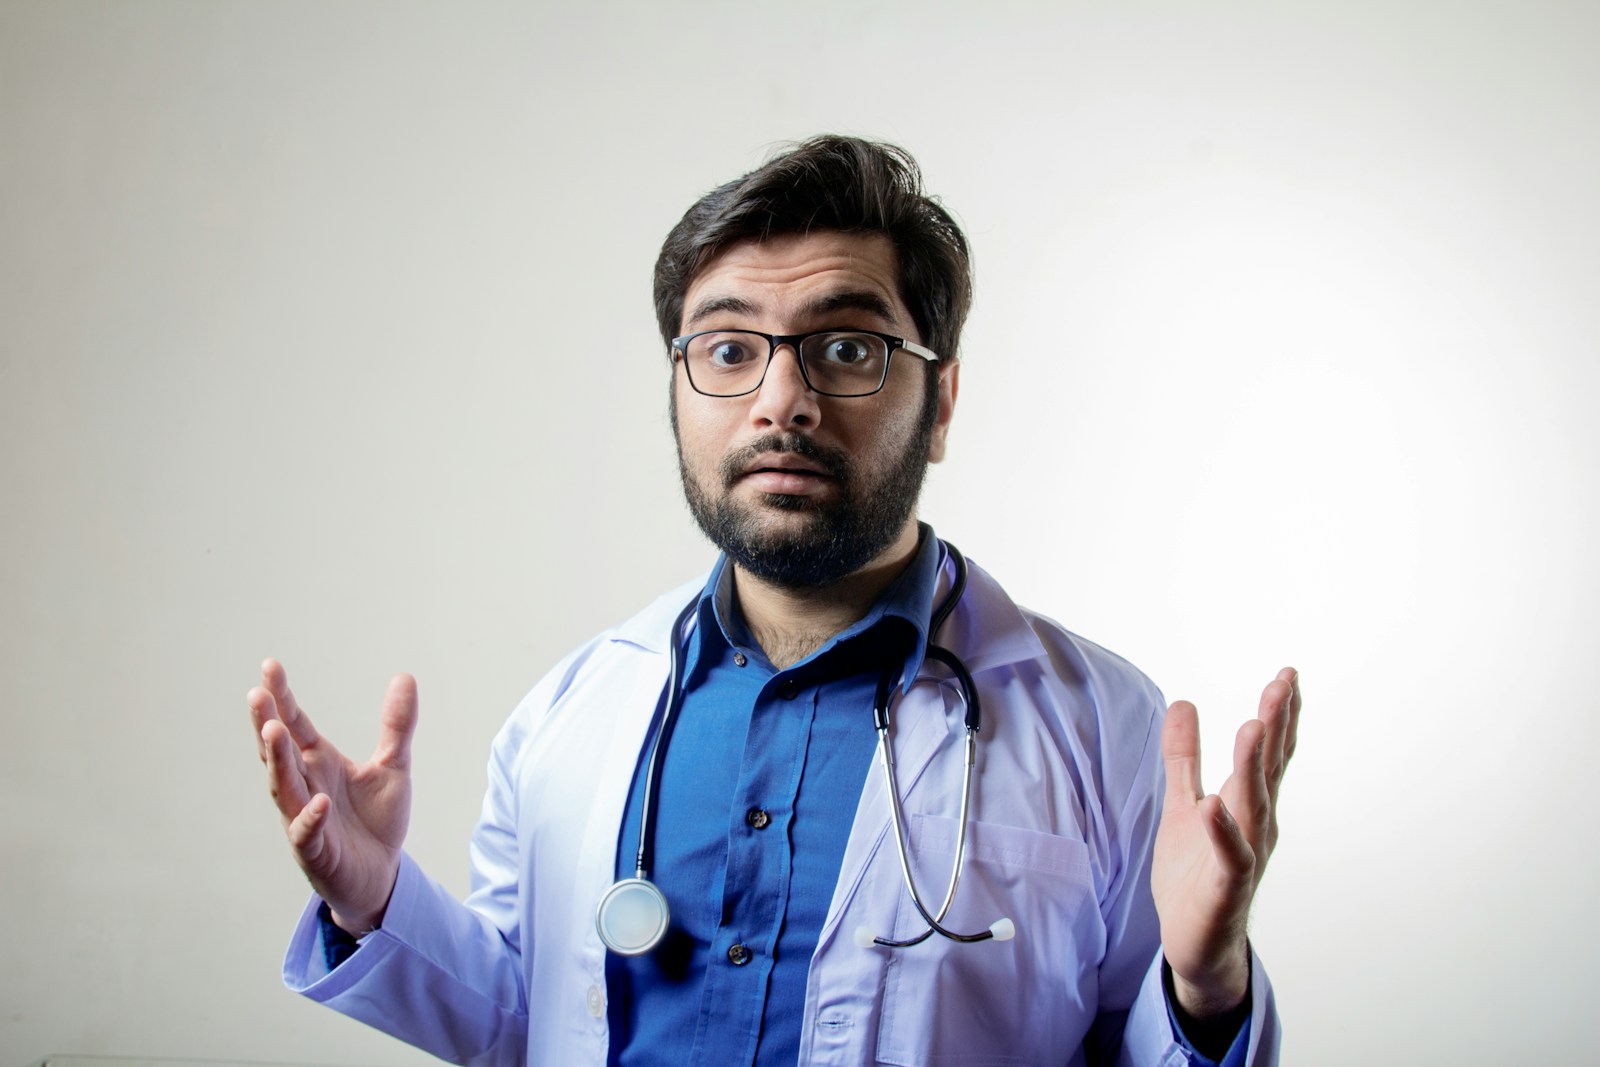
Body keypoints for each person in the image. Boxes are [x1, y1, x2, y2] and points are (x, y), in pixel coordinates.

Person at [248, 135, 1301, 1066]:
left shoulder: (1101, 728)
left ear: (940, 402)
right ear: (677, 389)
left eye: (847, 347)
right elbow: (522, 1020)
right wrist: (374, 900)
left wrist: (1207, 992)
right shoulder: (569, 714)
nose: (779, 398)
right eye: (727, 348)